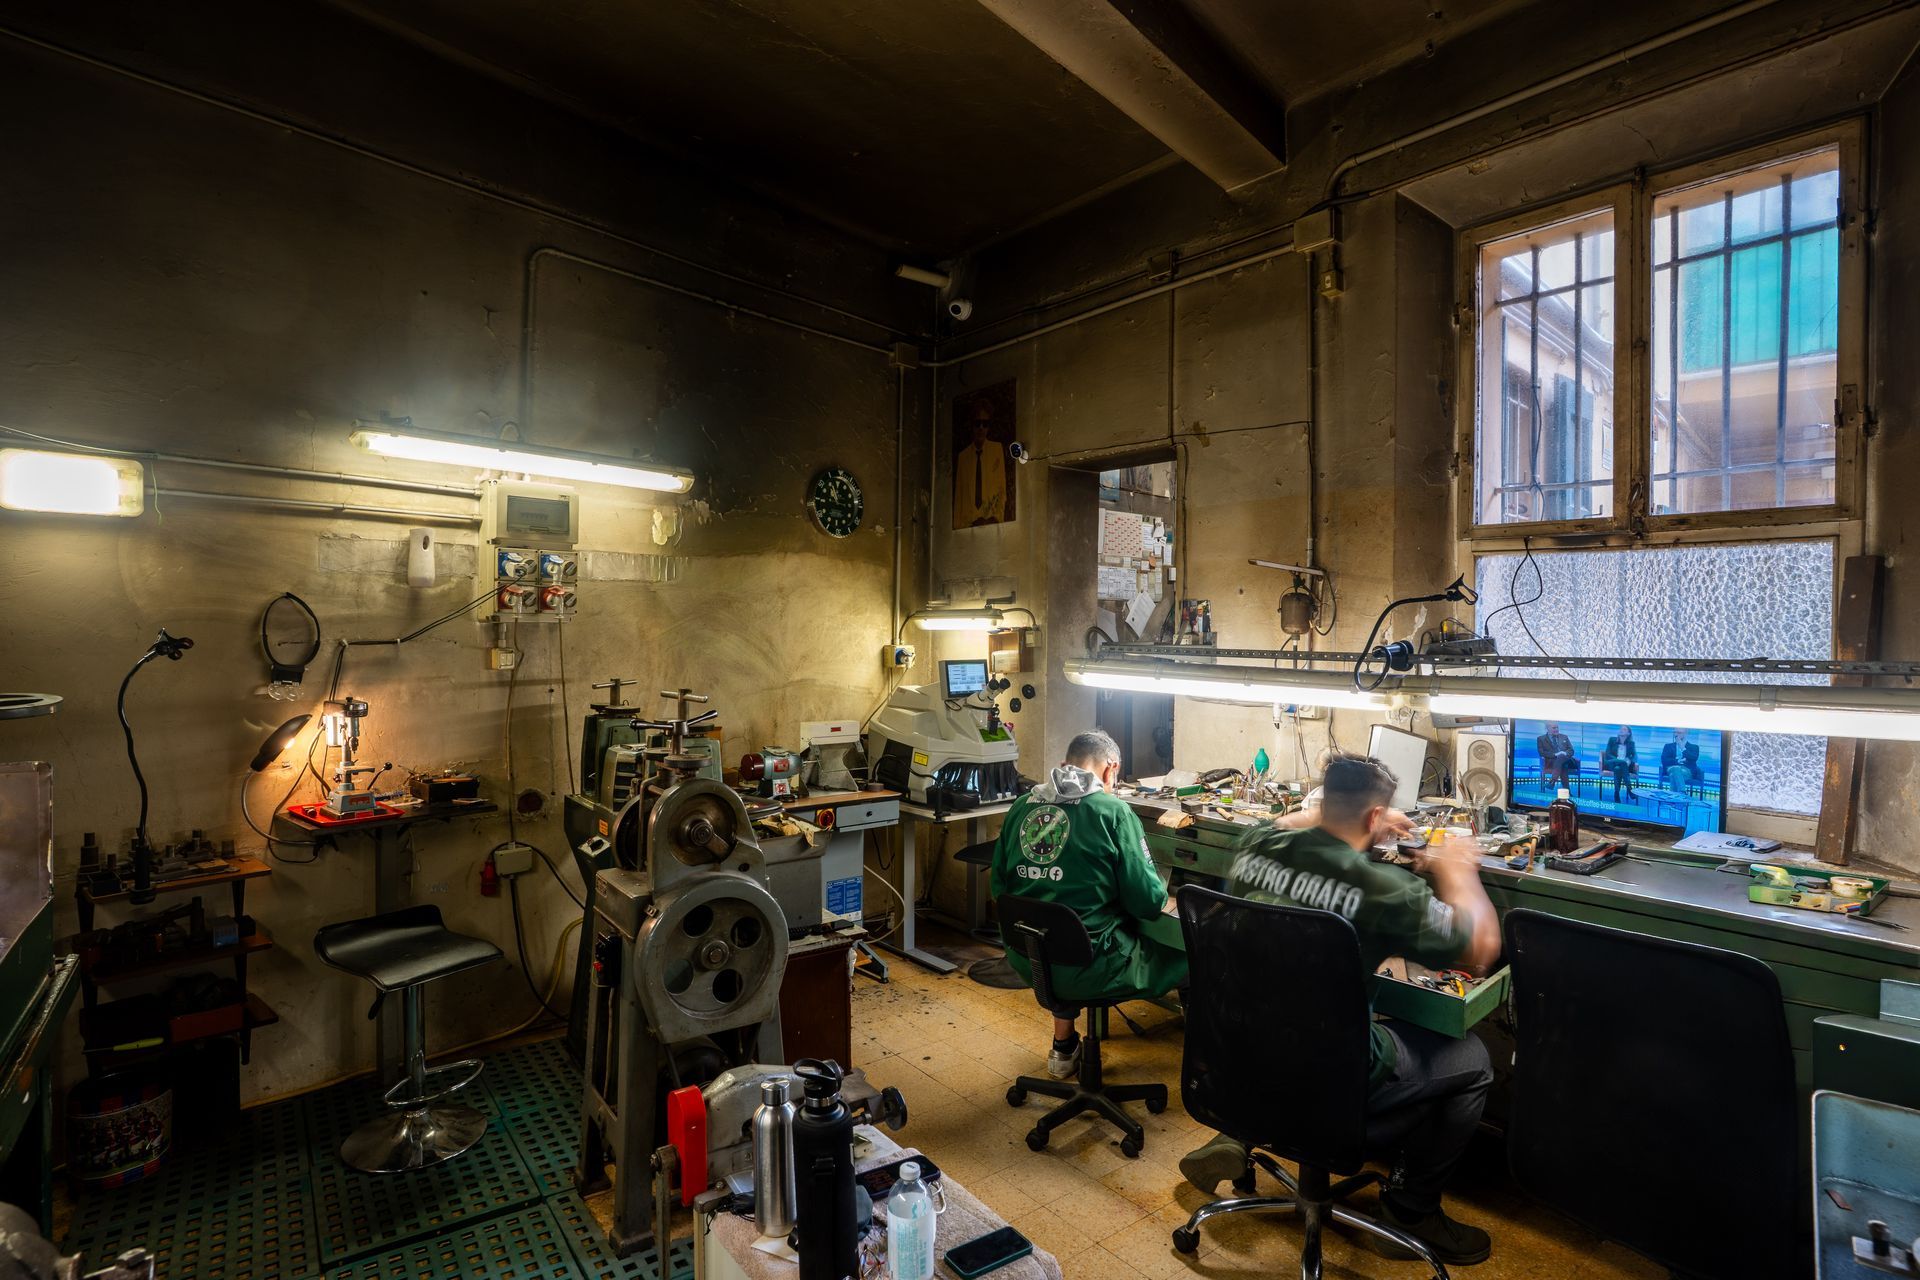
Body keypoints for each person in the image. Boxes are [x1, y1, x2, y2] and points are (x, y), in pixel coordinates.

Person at [1178, 756, 1501, 1267]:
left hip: (1236, 1060)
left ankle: (1239, 1133)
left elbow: (1284, 824)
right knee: (1474, 1057)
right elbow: (1480, 948)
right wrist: (1456, 870)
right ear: (1375, 818)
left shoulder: (1255, 847)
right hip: (1329, 1080)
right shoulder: (1386, 889)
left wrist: (1352, 818)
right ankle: (1410, 1208)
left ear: (1322, 802)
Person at [989, 730, 1187, 1080]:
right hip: (1093, 965)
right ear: (1111, 770)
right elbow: (1146, 901)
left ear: (1065, 765)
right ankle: (1204, 1063)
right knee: (1192, 951)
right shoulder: (1113, 812)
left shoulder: (1022, 806)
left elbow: (999, 887)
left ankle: (1063, 1048)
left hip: (1029, 957)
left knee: (1056, 926)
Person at [953, 409, 1008, 527]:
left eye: (985, 424)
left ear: (988, 427)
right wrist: (958, 527)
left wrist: (997, 518)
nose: (981, 428)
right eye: (977, 423)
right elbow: (959, 496)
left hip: (991, 521)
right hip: (968, 524)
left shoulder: (996, 450)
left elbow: (1001, 488)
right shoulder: (963, 457)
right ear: (972, 426)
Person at [1601, 725, 1639, 802]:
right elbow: (1608, 754)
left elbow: (1635, 756)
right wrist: (1619, 760)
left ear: (1628, 733)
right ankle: (1630, 790)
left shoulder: (1631, 743)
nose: (1621, 730)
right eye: (1621, 729)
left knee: (1618, 769)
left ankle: (1616, 793)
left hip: (1623, 766)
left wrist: (1629, 760)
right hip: (1612, 762)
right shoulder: (1612, 740)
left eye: (1624, 729)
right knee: (1621, 763)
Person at [1535, 723, 1576, 790]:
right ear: (1547, 728)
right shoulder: (1541, 739)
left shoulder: (1564, 737)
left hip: (1568, 761)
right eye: (1554, 728)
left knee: (1561, 756)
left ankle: (1552, 781)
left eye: (1557, 727)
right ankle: (1567, 792)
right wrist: (1555, 754)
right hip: (1552, 763)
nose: (1556, 729)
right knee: (1563, 766)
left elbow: (1571, 751)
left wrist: (1564, 753)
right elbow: (1541, 753)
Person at [1661, 729, 1701, 793]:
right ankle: (1682, 792)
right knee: (1675, 768)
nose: (1676, 734)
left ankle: (1673, 796)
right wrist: (1677, 761)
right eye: (1675, 732)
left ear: (1685, 733)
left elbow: (1694, 758)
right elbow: (1664, 760)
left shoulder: (1694, 747)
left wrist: (1682, 747)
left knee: (1673, 776)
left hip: (1686, 771)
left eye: (1679, 732)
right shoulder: (1668, 746)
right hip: (1671, 768)